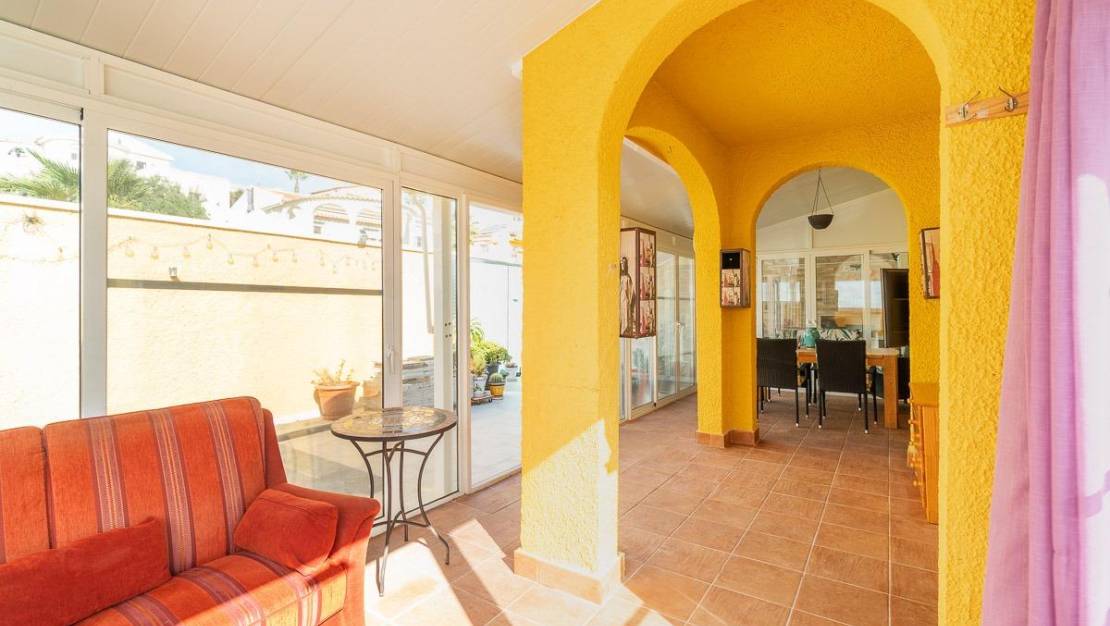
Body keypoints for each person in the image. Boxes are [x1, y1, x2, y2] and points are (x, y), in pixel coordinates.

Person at [619, 257, 634, 335]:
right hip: (618, 299)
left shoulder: (627, 277)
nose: (623, 265)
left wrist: (628, 300)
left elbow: (630, 290)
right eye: (622, 263)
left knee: (625, 315)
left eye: (624, 263)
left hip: (625, 299)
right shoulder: (617, 276)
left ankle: (625, 330)